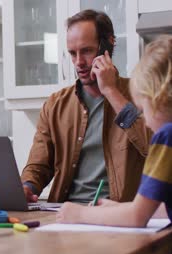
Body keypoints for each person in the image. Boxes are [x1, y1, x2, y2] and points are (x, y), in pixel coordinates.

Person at [21, 9, 151, 203]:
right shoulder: (55, 105)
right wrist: (26, 188)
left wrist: (110, 91)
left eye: (87, 51)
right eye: (73, 54)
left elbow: (156, 146)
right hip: (66, 213)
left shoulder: (143, 93)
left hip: (118, 216)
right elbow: (38, 166)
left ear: (109, 43)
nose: (79, 62)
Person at [57, 35, 172, 226]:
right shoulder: (57, 104)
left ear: (158, 98)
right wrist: (118, 209)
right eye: (72, 53)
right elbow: (163, 208)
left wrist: (79, 214)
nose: (144, 119)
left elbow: (137, 217)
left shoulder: (166, 135)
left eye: (143, 110)